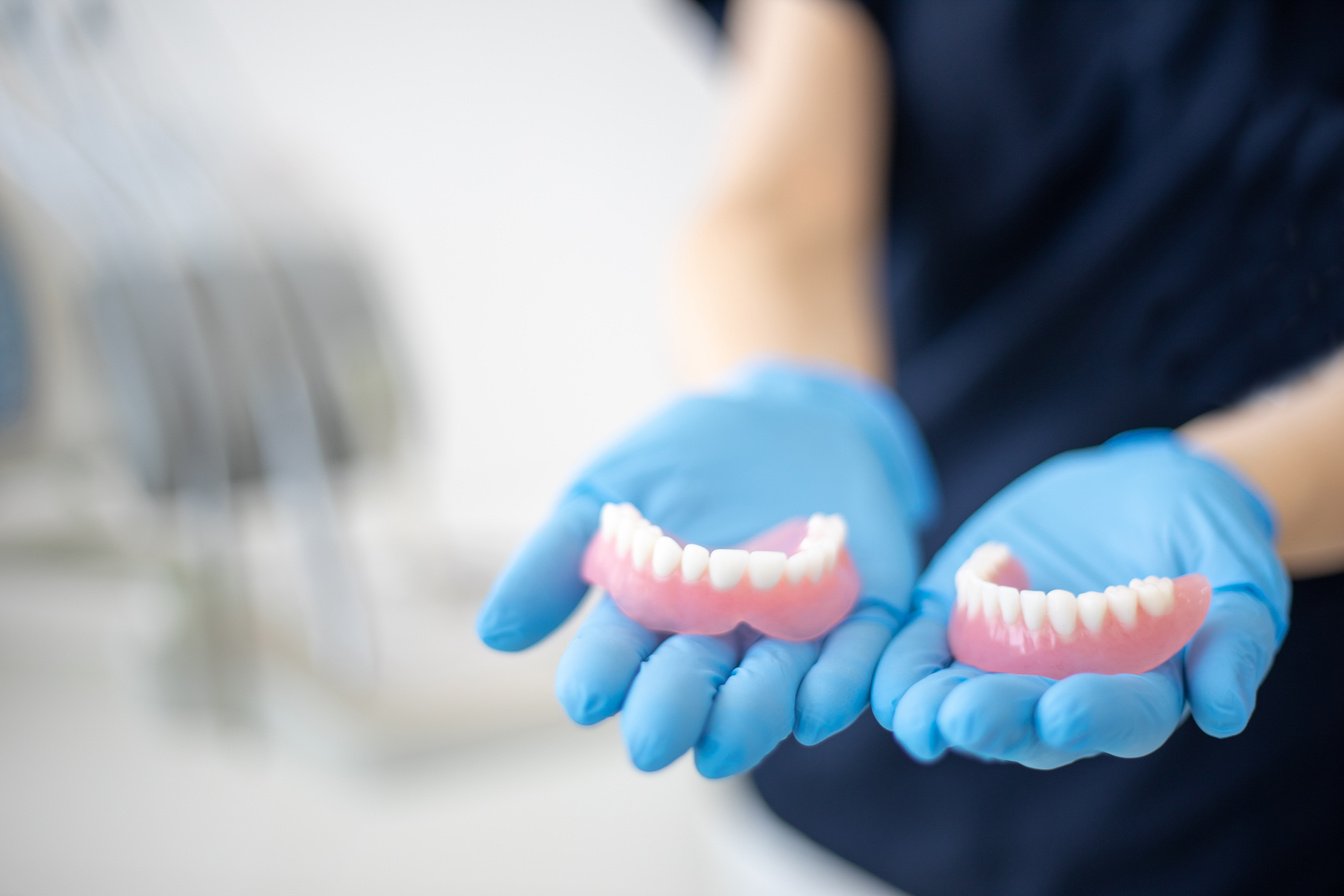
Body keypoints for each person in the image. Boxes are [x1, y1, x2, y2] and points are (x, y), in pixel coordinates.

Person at [477, 1, 1344, 892]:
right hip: (826, 807)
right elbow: (788, 197)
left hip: (1268, 816)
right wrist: (795, 394)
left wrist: (1255, 481)